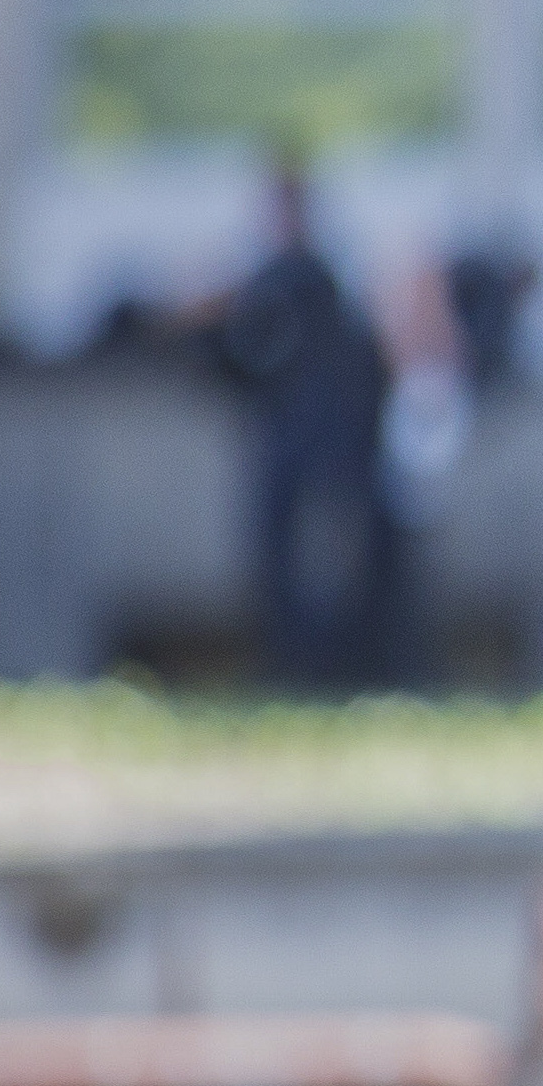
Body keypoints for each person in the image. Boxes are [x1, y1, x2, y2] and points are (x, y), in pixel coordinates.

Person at [206, 150, 402, 689]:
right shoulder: (299, 278)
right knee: (291, 556)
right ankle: (304, 661)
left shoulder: (304, 277)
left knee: (320, 557)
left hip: (322, 440)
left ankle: (325, 663)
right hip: (300, 437)